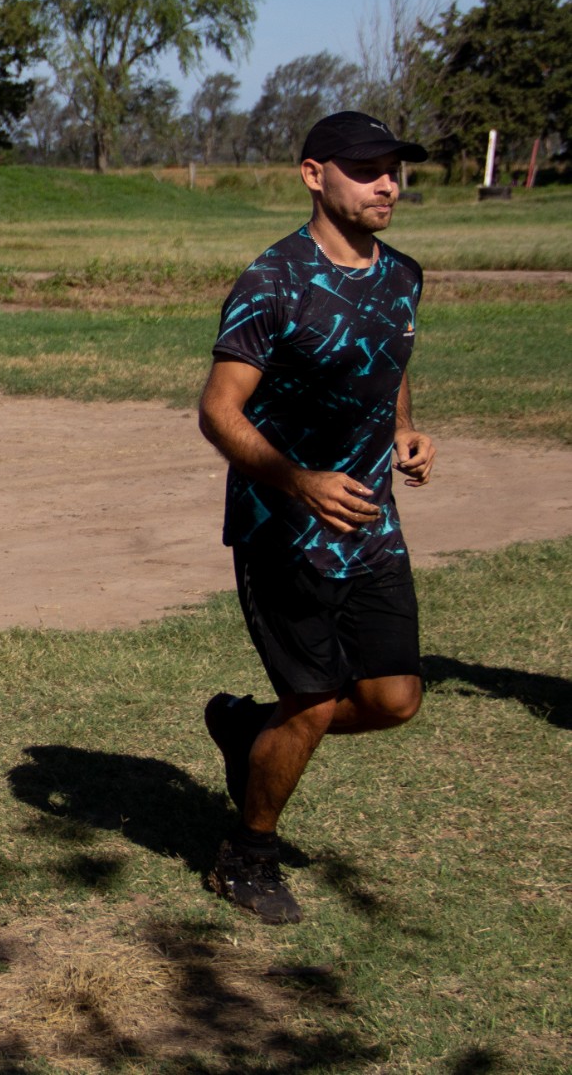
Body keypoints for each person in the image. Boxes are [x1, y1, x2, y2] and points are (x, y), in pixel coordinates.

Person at [199, 111, 436, 925]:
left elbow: (389, 360)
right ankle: (247, 854)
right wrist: (298, 482)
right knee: (313, 699)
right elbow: (218, 412)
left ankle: (246, 732)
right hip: (282, 525)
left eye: (393, 169)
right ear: (313, 174)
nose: (387, 184)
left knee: (395, 698)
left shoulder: (402, 275)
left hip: (371, 520)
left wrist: (402, 428)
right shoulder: (274, 281)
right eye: (366, 168)